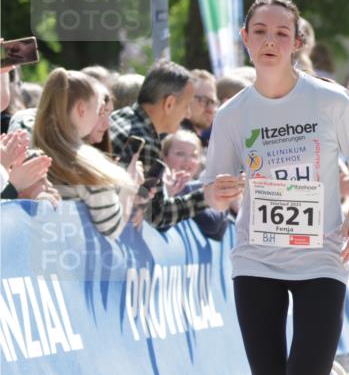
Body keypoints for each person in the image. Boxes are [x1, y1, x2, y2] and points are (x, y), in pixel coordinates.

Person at [200, 0, 349, 375]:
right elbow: (213, 189)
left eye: (282, 32)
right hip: (256, 256)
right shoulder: (233, 114)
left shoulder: (329, 101)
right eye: (261, 31)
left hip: (320, 253)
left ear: (298, 42)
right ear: (245, 39)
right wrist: (221, 191)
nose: (271, 40)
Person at [110, 61, 226, 230]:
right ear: (169, 103)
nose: (187, 114)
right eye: (186, 106)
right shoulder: (144, 141)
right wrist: (208, 196)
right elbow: (158, 216)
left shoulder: (120, 116)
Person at [32, 69, 142, 238]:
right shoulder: (86, 165)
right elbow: (111, 227)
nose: (105, 121)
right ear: (82, 110)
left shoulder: (31, 156)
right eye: (100, 110)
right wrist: (130, 185)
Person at [162, 130, 231, 241]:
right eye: (180, 154)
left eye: (194, 156)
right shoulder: (157, 185)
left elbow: (216, 228)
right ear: (164, 157)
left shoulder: (200, 186)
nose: (187, 160)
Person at [182, 69, 217, 146]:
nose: (210, 109)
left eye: (213, 102)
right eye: (204, 100)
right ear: (187, 100)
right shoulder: (178, 141)